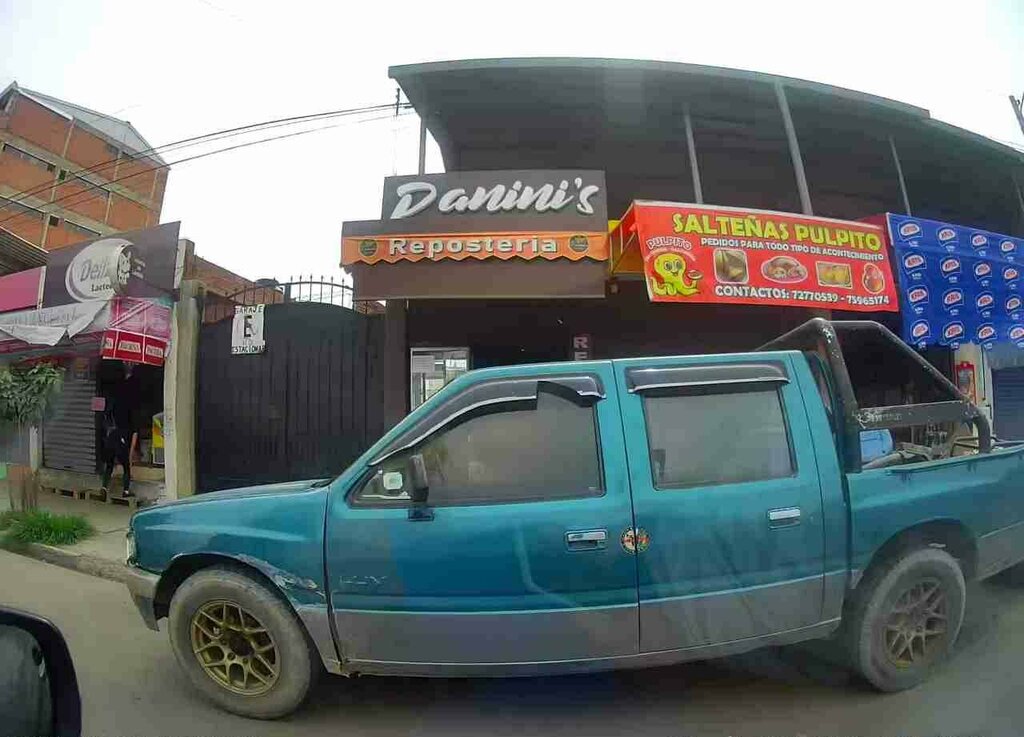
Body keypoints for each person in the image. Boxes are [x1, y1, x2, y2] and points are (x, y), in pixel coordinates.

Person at [100, 362, 139, 498]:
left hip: (111, 437)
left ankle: (104, 487)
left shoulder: (115, 403)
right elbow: (134, 435)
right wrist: (131, 453)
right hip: (121, 439)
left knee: (109, 465)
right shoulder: (132, 414)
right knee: (126, 467)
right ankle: (126, 491)